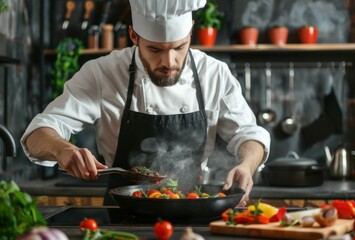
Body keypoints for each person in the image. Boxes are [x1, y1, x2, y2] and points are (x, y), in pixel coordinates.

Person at [21, 0, 270, 206]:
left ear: (191, 31)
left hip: (194, 209)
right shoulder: (103, 73)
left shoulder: (214, 74)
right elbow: (38, 133)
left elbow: (249, 134)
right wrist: (63, 149)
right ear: (133, 36)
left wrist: (247, 165)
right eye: (154, 50)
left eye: (179, 47)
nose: (168, 62)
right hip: (123, 214)